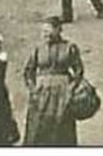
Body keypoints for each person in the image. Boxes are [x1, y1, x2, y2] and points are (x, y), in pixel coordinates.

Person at [23, 16, 84, 146]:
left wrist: (71, 89)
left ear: (58, 30)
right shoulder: (38, 49)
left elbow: (78, 71)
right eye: (43, 31)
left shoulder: (69, 47)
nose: (45, 34)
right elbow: (28, 72)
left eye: (48, 30)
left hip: (62, 94)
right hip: (41, 94)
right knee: (37, 128)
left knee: (62, 128)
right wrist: (33, 89)